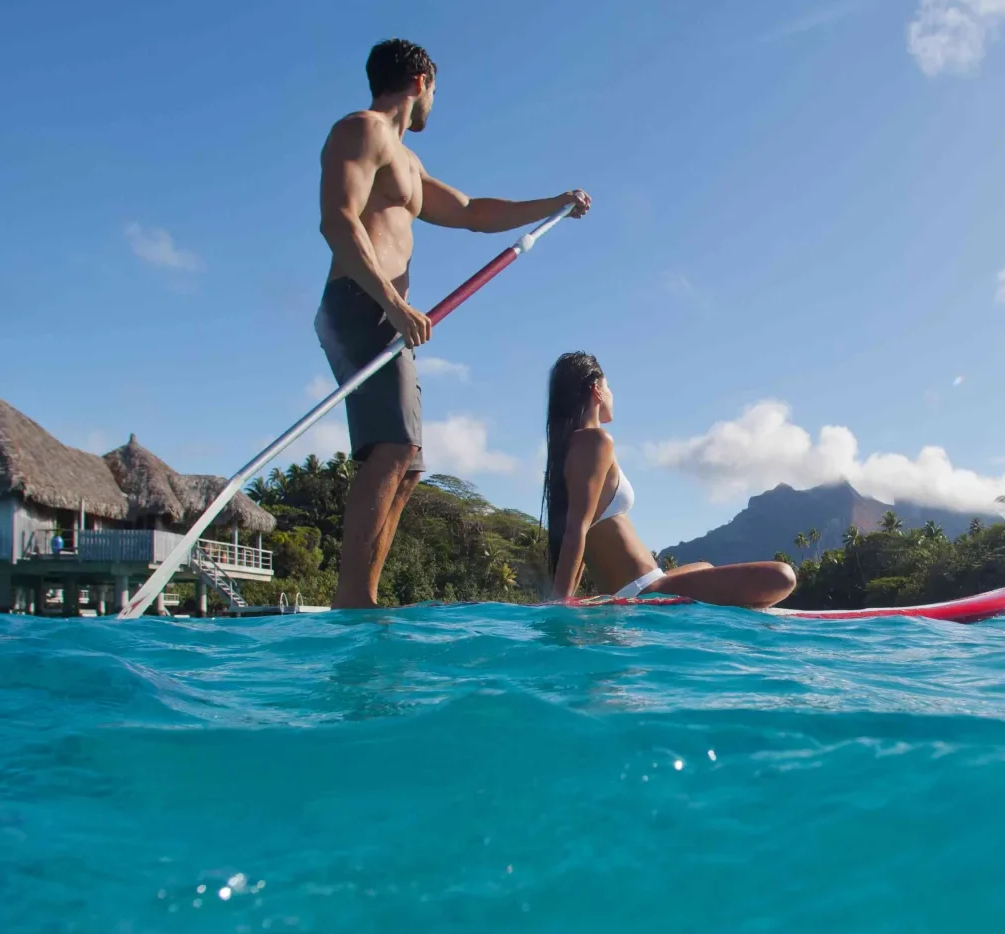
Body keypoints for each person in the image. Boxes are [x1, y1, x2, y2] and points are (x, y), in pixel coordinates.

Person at [317, 38, 590, 609]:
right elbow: (338, 220)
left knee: (408, 464)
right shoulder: (361, 130)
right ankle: (352, 599)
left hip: (388, 314)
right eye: (436, 92)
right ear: (420, 82)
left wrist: (552, 204)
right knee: (390, 447)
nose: (435, 105)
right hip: (362, 302)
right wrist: (391, 301)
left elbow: (471, 213)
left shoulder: (407, 162)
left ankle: (364, 594)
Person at [542, 352, 797, 608]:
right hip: (642, 590)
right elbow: (576, 529)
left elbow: (581, 533)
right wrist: (561, 604)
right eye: (609, 387)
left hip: (650, 581)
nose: (612, 395)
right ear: (596, 389)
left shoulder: (574, 447)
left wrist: (568, 596)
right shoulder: (595, 441)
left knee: (704, 566)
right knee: (782, 576)